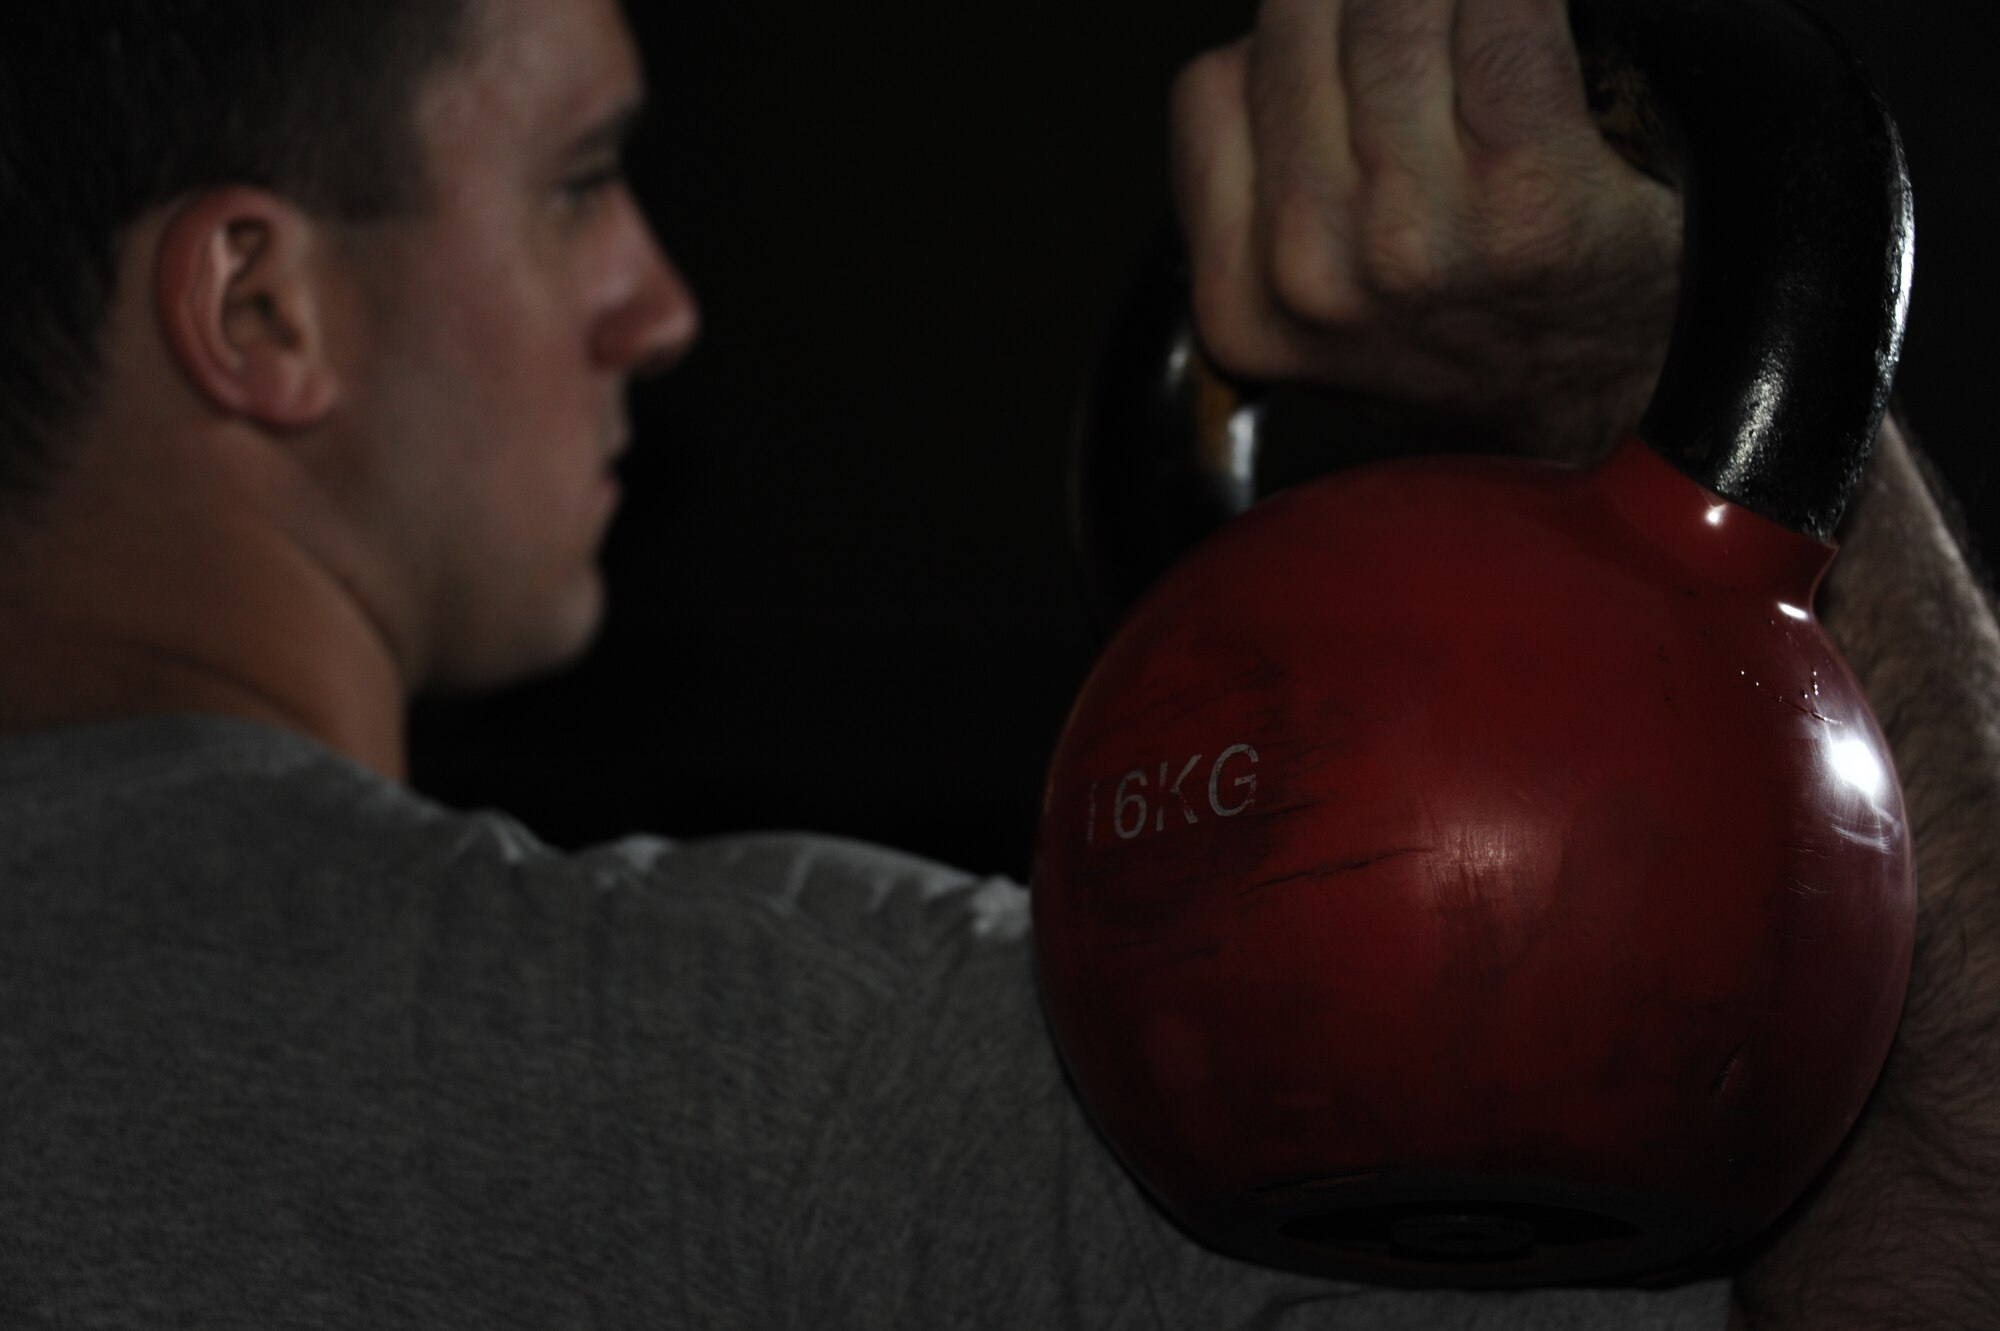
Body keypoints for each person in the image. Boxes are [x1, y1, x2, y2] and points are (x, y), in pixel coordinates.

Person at [0, 1, 1985, 1328]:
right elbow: (1959, 1212)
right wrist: (1675, 398)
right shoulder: (794, 1069)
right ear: (256, 306)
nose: (661, 307)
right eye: (578, 182)